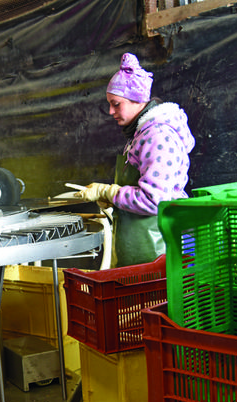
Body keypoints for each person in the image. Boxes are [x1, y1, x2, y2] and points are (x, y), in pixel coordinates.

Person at [75, 53, 195, 267]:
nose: (111, 111)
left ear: (137, 100)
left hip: (162, 249)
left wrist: (110, 192)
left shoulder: (157, 136)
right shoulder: (140, 135)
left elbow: (154, 200)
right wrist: (114, 199)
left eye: (116, 104)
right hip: (142, 248)